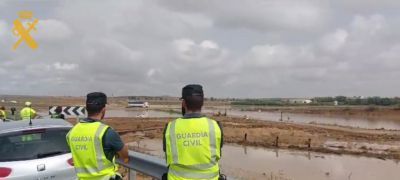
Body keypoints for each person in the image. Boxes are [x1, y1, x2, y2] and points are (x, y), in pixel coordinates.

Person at [163, 84, 224, 180]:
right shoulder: (215, 126)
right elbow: (218, 155)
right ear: (202, 103)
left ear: (183, 103)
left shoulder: (170, 127)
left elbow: (167, 156)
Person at [67, 92, 129, 180]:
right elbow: (125, 155)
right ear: (103, 109)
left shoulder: (71, 132)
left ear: (87, 109)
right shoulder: (106, 132)